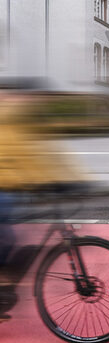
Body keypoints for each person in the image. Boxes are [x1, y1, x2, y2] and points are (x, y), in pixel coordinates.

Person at [0, 86, 86, 316]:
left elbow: (49, 156)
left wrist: (76, 181)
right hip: (6, 189)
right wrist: (44, 182)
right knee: (7, 236)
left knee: (19, 237)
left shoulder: (29, 124)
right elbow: (17, 157)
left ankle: (6, 283)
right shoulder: (8, 121)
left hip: (14, 188)